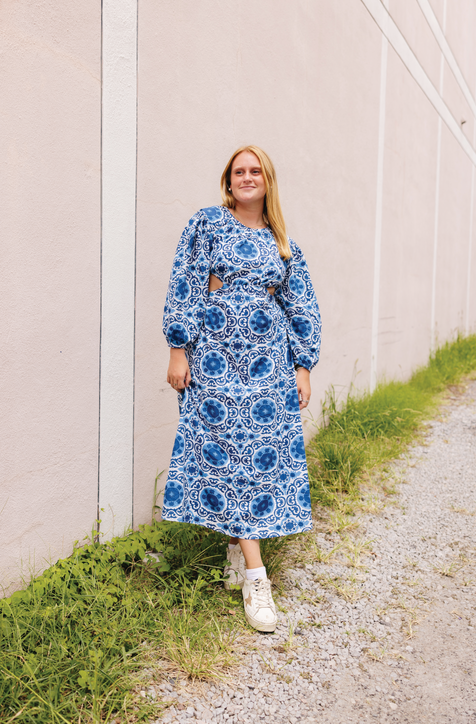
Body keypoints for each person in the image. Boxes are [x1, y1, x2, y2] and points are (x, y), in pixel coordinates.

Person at [162, 146, 321, 632]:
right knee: (230, 452)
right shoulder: (207, 223)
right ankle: (257, 576)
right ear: (228, 181)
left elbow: (302, 304)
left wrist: (303, 365)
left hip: (268, 363)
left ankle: (237, 551)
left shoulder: (283, 242)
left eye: (256, 171)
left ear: (268, 181)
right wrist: (177, 347)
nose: (247, 178)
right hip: (215, 357)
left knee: (257, 454)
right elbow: (186, 282)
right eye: (239, 172)